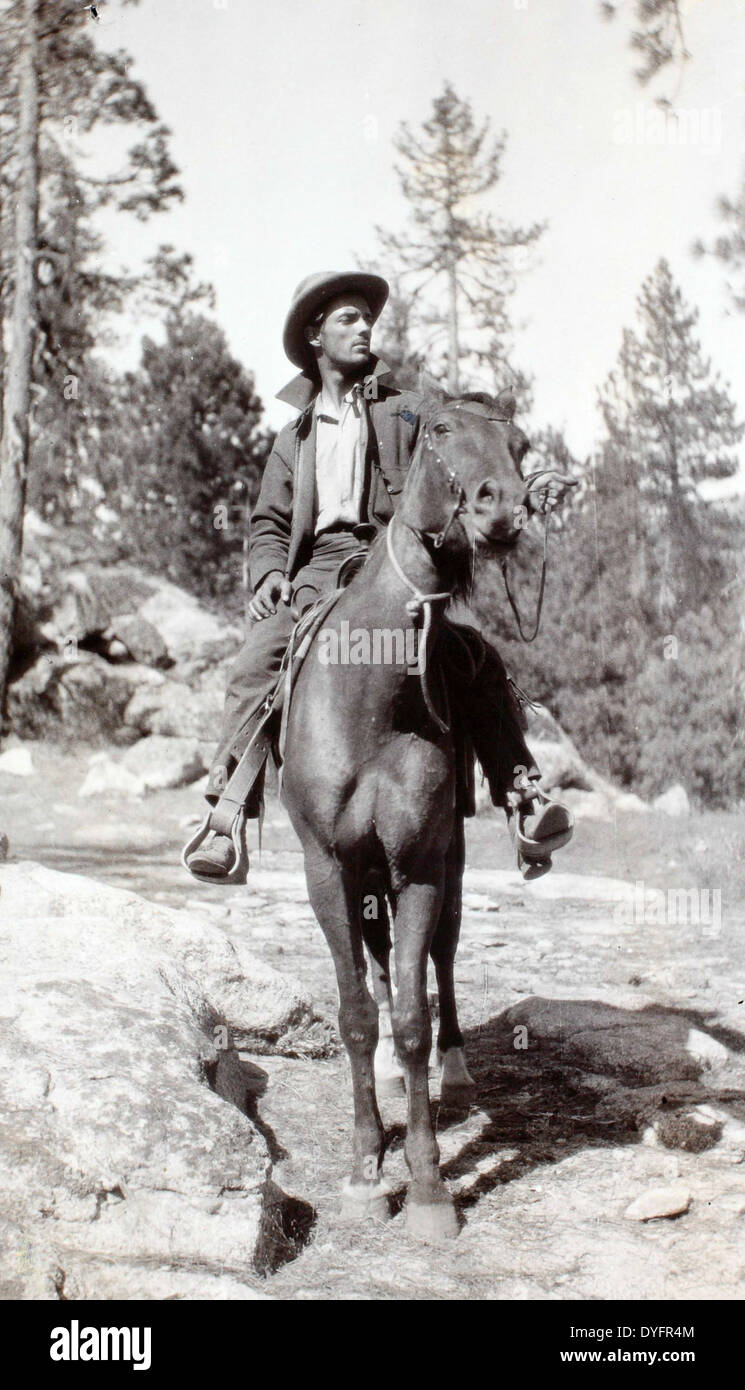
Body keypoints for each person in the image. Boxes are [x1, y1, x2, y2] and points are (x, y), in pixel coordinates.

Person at [185, 270, 573, 881]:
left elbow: (469, 441)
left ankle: (523, 799)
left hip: (393, 562)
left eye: (368, 318)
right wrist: (265, 575)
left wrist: (520, 489)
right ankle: (226, 813)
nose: (365, 327)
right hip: (316, 573)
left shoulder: (406, 408)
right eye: (348, 318)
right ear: (315, 335)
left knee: (473, 657)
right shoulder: (294, 436)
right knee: (257, 659)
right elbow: (268, 522)